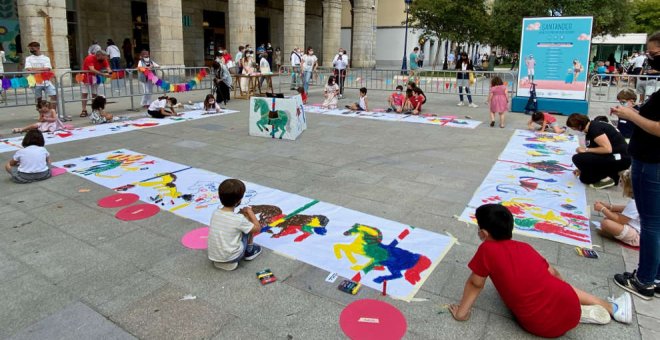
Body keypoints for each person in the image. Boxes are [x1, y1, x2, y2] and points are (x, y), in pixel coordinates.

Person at [449, 204, 633, 337]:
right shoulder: (525, 247)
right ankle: (606, 308)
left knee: (531, 296)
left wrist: (461, 314)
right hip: (566, 301)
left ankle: (575, 311)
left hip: (540, 326)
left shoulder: (487, 250)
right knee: (554, 286)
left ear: (484, 233)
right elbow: (553, 273)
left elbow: (475, 283)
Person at [610, 32, 660, 300]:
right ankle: (655, 274)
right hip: (649, 159)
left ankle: (644, 280)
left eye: (654, 54)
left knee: (651, 223)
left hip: (653, 163)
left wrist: (631, 115)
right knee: (655, 222)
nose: (650, 59)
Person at [208, 178, 263, 271]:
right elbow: (257, 228)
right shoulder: (239, 219)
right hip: (232, 257)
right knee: (248, 225)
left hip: (213, 256)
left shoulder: (215, 213)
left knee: (240, 226)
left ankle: (223, 258)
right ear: (239, 200)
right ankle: (249, 251)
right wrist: (250, 213)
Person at [566, 113, 631, 189]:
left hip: (620, 159)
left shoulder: (595, 129)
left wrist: (586, 150)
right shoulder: (590, 128)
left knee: (578, 158)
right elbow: (596, 150)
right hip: (614, 157)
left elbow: (607, 149)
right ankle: (613, 176)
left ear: (580, 126)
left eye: (574, 128)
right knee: (584, 177)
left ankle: (608, 178)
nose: (574, 131)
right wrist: (582, 168)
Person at [593, 170, 640, 247]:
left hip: (636, 235)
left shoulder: (634, 203)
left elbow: (619, 220)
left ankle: (618, 236)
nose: (620, 184)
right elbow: (627, 209)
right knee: (608, 218)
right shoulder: (639, 198)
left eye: (621, 182)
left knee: (606, 223)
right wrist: (609, 207)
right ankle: (613, 233)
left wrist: (603, 209)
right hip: (633, 227)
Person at [24, 42, 63, 119]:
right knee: (39, 99)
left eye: (32, 48)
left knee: (53, 95)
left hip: (46, 81)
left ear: (38, 48)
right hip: (34, 81)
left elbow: (48, 68)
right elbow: (28, 69)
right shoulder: (28, 58)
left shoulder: (45, 58)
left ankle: (53, 113)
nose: (31, 50)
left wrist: (34, 69)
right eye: (30, 48)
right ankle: (41, 115)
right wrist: (41, 70)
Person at [80, 49, 112, 117]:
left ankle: (94, 109)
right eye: (103, 57)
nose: (104, 59)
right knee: (84, 93)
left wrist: (109, 72)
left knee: (94, 94)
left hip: (95, 77)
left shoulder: (103, 59)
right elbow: (91, 69)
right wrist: (103, 74)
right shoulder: (90, 58)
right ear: (98, 56)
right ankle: (84, 110)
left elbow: (107, 67)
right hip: (86, 76)